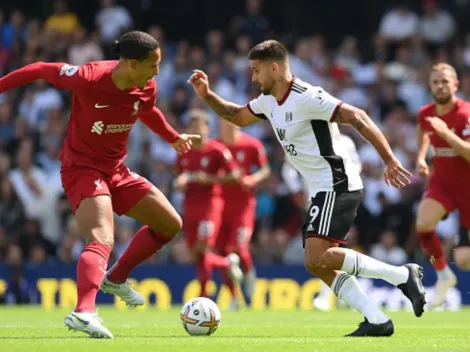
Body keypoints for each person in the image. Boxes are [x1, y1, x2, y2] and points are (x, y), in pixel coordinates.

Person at [188, 39, 425, 337]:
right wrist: (207, 95)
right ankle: (376, 318)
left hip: (337, 182)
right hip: (321, 188)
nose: (253, 77)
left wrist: (389, 159)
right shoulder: (268, 101)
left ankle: (402, 275)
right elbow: (236, 116)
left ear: (275, 68)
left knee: (316, 259)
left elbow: (358, 116)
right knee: (318, 264)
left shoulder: (307, 96)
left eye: (256, 70)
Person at [0, 31, 200, 339]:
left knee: (170, 224)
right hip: (81, 169)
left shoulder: (146, 86)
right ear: (132, 64)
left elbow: (147, 112)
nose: (158, 72)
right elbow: (40, 68)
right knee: (102, 237)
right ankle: (84, 311)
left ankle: (115, 279)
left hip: (117, 170)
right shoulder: (89, 77)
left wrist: (173, 137)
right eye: (153, 65)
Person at [416, 63, 470, 308]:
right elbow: (424, 131)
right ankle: (443, 275)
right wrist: (420, 157)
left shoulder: (466, 113)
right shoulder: (425, 113)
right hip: (443, 183)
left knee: (464, 260)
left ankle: (453, 269)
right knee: (423, 224)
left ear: (456, 85)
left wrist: (446, 134)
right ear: (430, 86)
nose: (440, 86)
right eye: (436, 82)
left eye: (445, 81)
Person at [174, 109, 243, 299]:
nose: (196, 130)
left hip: (210, 205)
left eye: (199, 126)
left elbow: (235, 176)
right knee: (195, 253)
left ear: (207, 129)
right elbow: (180, 175)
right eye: (192, 126)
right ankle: (227, 264)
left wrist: (209, 179)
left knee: (203, 248)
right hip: (189, 206)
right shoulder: (183, 152)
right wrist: (179, 183)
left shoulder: (217, 150)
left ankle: (203, 296)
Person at [215, 119, 271, 308]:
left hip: (244, 206)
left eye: (230, 124)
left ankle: (248, 272)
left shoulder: (251, 144)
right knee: (223, 253)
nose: (227, 128)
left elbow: (265, 169)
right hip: (220, 207)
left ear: (237, 125)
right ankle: (233, 297)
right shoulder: (215, 147)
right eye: (223, 125)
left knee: (236, 248)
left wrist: (252, 179)